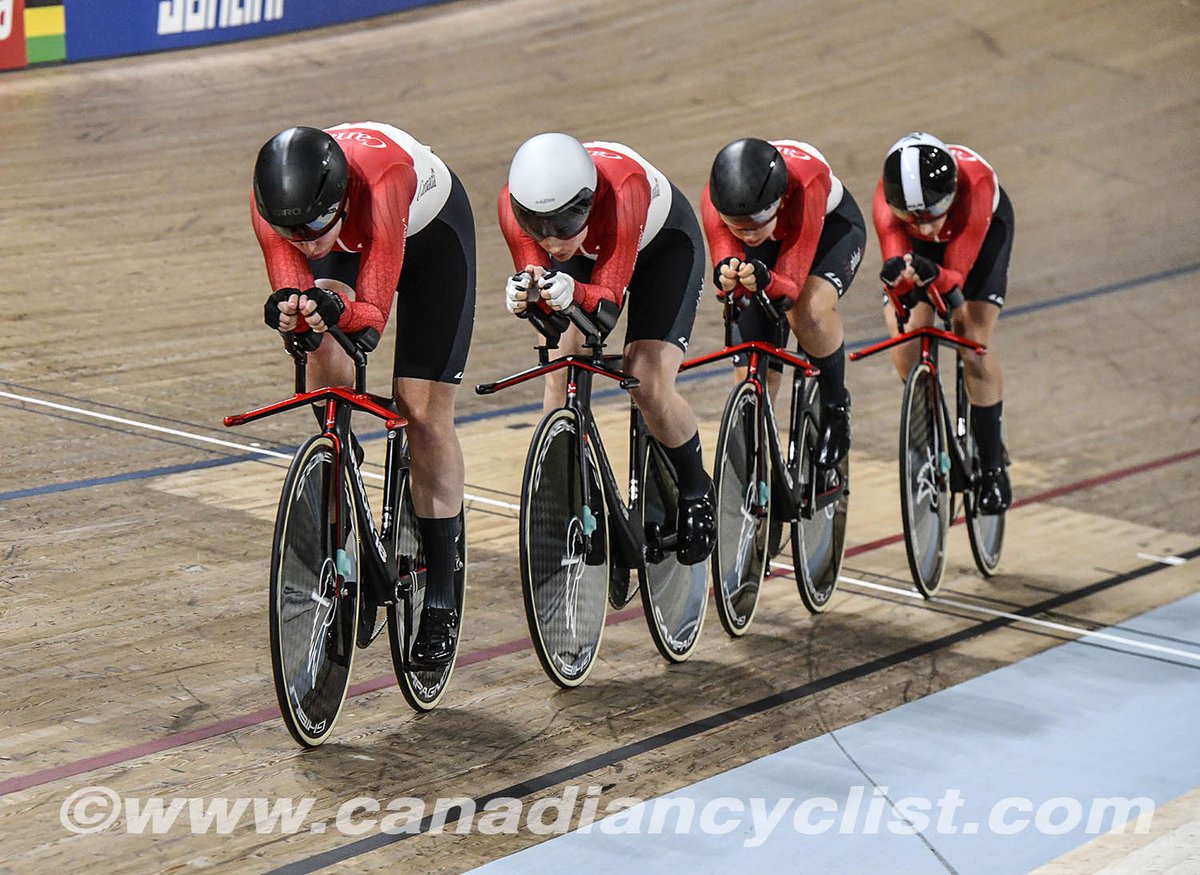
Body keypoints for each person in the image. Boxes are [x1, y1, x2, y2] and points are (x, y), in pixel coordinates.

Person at [251, 122, 475, 666]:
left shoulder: (381, 183)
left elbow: (370, 321)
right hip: (355, 237)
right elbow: (296, 289)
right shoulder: (278, 208)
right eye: (293, 233)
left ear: (339, 197)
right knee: (321, 353)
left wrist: (333, 311)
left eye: (313, 227)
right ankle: (339, 467)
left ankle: (442, 593)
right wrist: (292, 315)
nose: (305, 241)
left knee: (420, 410)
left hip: (429, 240)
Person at [498, 132, 715, 564]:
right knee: (557, 378)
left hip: (660, 252)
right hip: (586, 260)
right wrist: (527, 296)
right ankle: (572, 497)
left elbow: (606, 308)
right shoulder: (520, 210)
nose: (551, 240)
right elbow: (549, 302)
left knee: (647, 379)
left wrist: (571, 289)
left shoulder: (623, 188)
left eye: (561, 225)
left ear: (587, 202)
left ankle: (696, 487)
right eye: (538, 227)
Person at [701, 137, 865, 468]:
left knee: (806, 311)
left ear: (777, 200)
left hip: (827, 232)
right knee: (755, 359)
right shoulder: (715, 199)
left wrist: (768, 280)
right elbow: (726, 264)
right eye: (738, 226)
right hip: (771, 242)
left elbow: (788, 287)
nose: (747, 234)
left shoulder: (808, 183)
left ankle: (835, 407)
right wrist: (729, 274)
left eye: (756, 221)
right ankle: (758, 457)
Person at [873, 132, 1014, 513]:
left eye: (934, 217)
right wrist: (900, 284)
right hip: (918, 250)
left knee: (971, 340)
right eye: (916, 219)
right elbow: (900, 282)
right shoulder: (888, 205)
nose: (929, 229)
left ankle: (991, 464)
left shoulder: (976, 185)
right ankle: (928, 431)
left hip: (979, 236)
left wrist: (935, 277)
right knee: (905, 343)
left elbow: (953, 280)